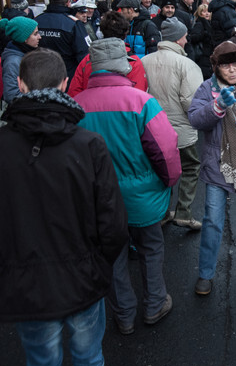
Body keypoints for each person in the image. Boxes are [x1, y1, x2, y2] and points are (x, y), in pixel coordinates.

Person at [0, 48, 127, 366]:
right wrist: (99, 265)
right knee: (89, 361)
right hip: (83, 277)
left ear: (20, 84)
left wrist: (7, 265)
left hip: (25, 280)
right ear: (65, 83)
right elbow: (112, 221)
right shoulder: (89, 144)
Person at [74, 39, 181, 335]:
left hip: (100, 199)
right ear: (123, 65)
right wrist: (169, 182)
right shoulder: (142, 102)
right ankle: (155, 303)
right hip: (142, 195)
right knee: (151, 247)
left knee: (113, 255)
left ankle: (124, 314)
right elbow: (165, 150)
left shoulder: (77, 106)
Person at [189, 42, 236, 295]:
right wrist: (217, 107)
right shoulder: (206, 88)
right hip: (217, 164)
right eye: (225, 66)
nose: (232, 70)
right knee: (212, 220)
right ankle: (206, 273)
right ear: (216, 68)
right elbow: (195, 119)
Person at [141, 19, 204, 230]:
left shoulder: (144, 61)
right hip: (181, 131)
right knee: (190, 167)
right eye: (185, 36)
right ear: (178, 39)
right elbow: (191, 102)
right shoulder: (186, 64)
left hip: (152, 131)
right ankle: (184, 212)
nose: (186, 40)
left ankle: (163, 212)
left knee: (159, 169)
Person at [68, 11, 147, 96]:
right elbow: (138, 94)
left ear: (102, 31)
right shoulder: (133, 62)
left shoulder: (88, 60)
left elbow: (74, 92)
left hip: (90, 103)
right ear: (125, 34)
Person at [36, 0, 91, 79]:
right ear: (68, 3)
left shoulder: (36, 21)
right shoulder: (73, 24)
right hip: (67, 77)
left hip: (41, 77)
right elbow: (84, 55)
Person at [0, 16, 40, 104]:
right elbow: (11, 95)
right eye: (35, 34)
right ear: (24, 38)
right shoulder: (13, 62)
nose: (39, 37)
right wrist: (39, 100)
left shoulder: (25, 53)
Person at [189, 4, 215, 79]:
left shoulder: (210, 24)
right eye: (204, 12)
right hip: (202, 56)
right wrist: (204, 34)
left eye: (208, 11)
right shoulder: (199, 24)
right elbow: (193, 38)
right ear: (200, 14)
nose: (207, 13)